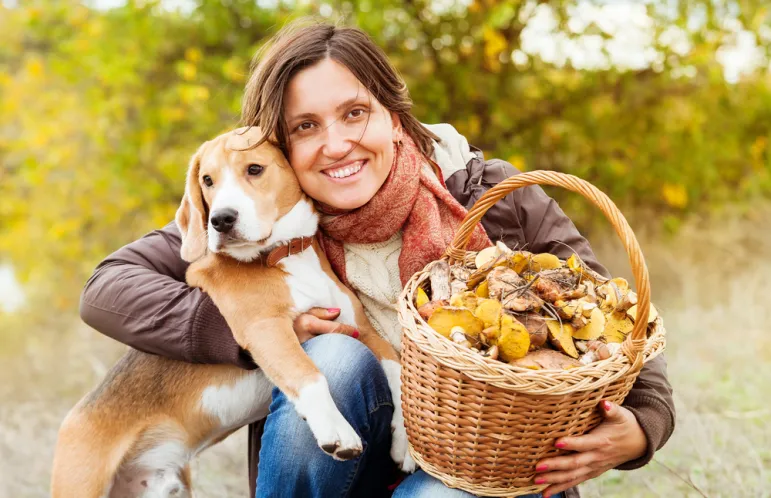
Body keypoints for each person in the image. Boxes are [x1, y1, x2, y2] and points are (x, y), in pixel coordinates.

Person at [80, 19, 674, 498]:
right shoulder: (264, 220)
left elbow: (615, 312)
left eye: (355, 113)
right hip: (338, 473)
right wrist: (245, 331)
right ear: (281, 149)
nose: (336, 145)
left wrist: (643, 425)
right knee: (334, 355)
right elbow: (106, 288)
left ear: (393, 113)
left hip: (481, 471)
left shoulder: (490, 195)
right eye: (306, 126)